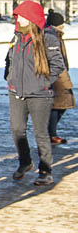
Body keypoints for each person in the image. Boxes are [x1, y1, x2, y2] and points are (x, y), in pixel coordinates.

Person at [4, 1, 66, 186]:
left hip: (40, 94)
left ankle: (45, 170)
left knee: (40, 132)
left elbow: (58, 65)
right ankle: (25, 162)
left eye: (22, 16)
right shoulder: (16, 37)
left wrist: (43, 83)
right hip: (17, 92)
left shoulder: (48, 38)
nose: (18, 19)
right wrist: (10, 78)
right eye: (17, 16)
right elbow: (9, 61)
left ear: (32, 18)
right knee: (17, 130)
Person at [46, 10, 74, 145]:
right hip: (56, 73)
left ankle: (50, 132)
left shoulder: (56, 35)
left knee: (62, 103)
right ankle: (51, 133)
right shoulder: (51, 35)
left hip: (60, 72)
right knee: (57, 105)